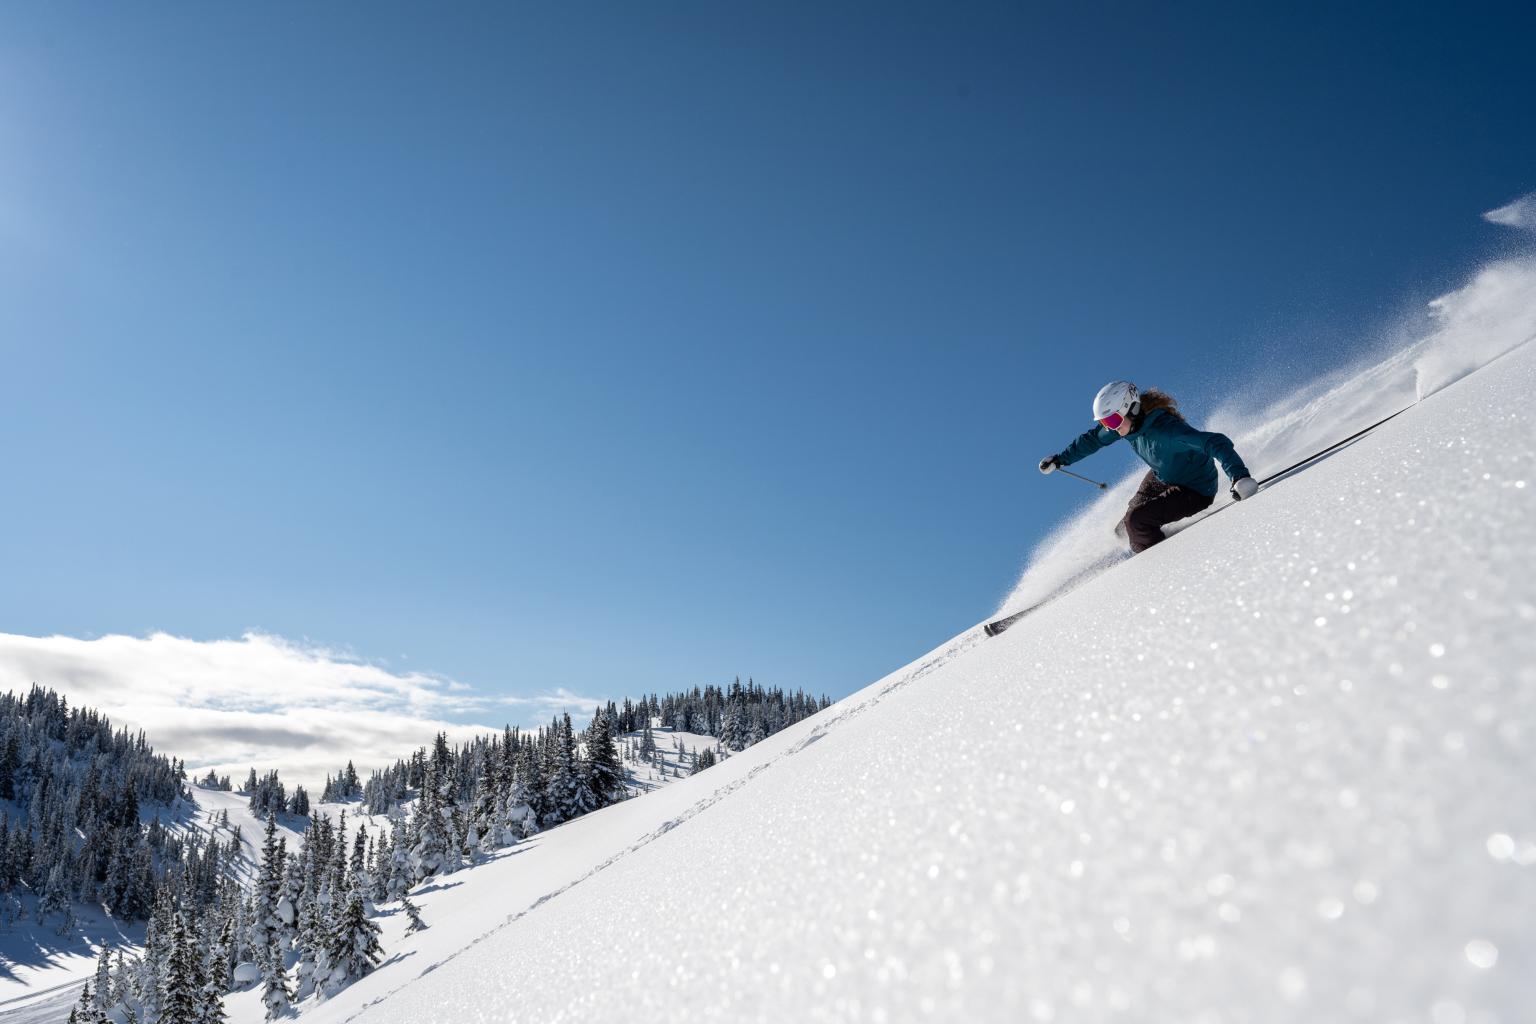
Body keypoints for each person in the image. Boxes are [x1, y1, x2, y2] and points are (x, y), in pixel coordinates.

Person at [1039, 381, 1259, 553]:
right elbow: (1094, 439)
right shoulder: (1126, 425)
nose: (1110, 428)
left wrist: (1239, 476)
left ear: (1131, 409)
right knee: (1125, 526)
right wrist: (1060, 459)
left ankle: (1152, 560)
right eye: (1105, 423)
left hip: (1196, 489)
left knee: (1137, 521)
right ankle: (1134, 546)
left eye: (1113, 422)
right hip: (1163, 476)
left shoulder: (1166, 431)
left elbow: (1214, 442)